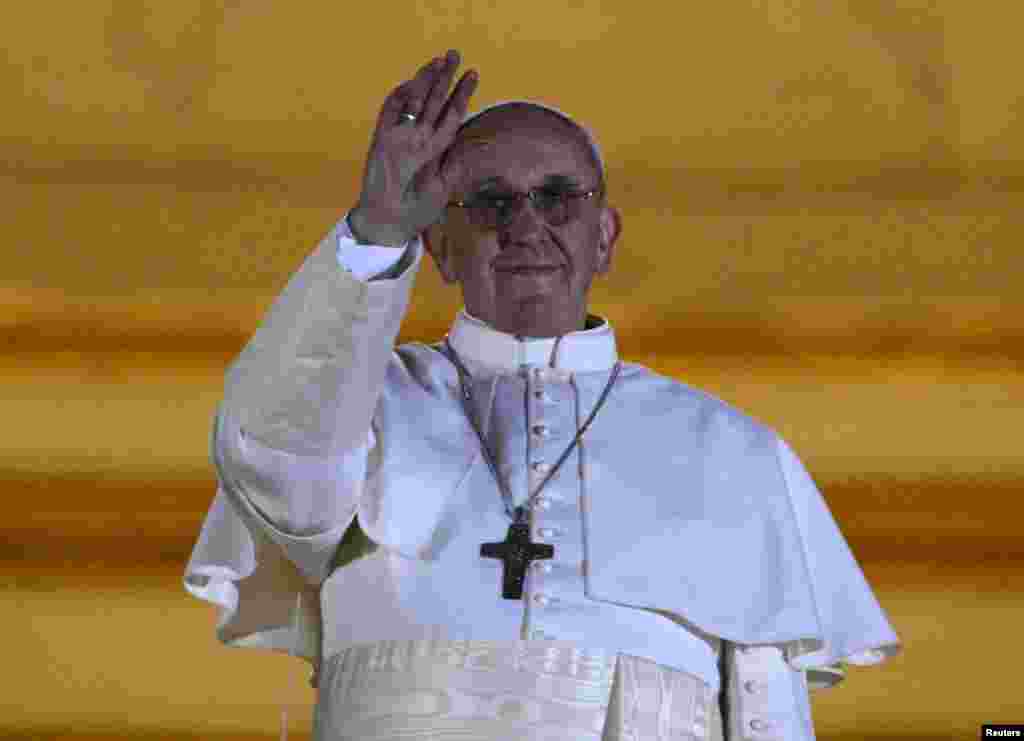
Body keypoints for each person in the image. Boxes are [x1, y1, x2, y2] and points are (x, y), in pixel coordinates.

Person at [184, 48, 901, 740]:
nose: (525, 227)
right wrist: (374, 230)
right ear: (439, 245)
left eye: (558, 198)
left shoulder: (734, 455)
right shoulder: (360, 409)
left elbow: (766, 716)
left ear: (605, 236)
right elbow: (270, 453)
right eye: (491, 203)